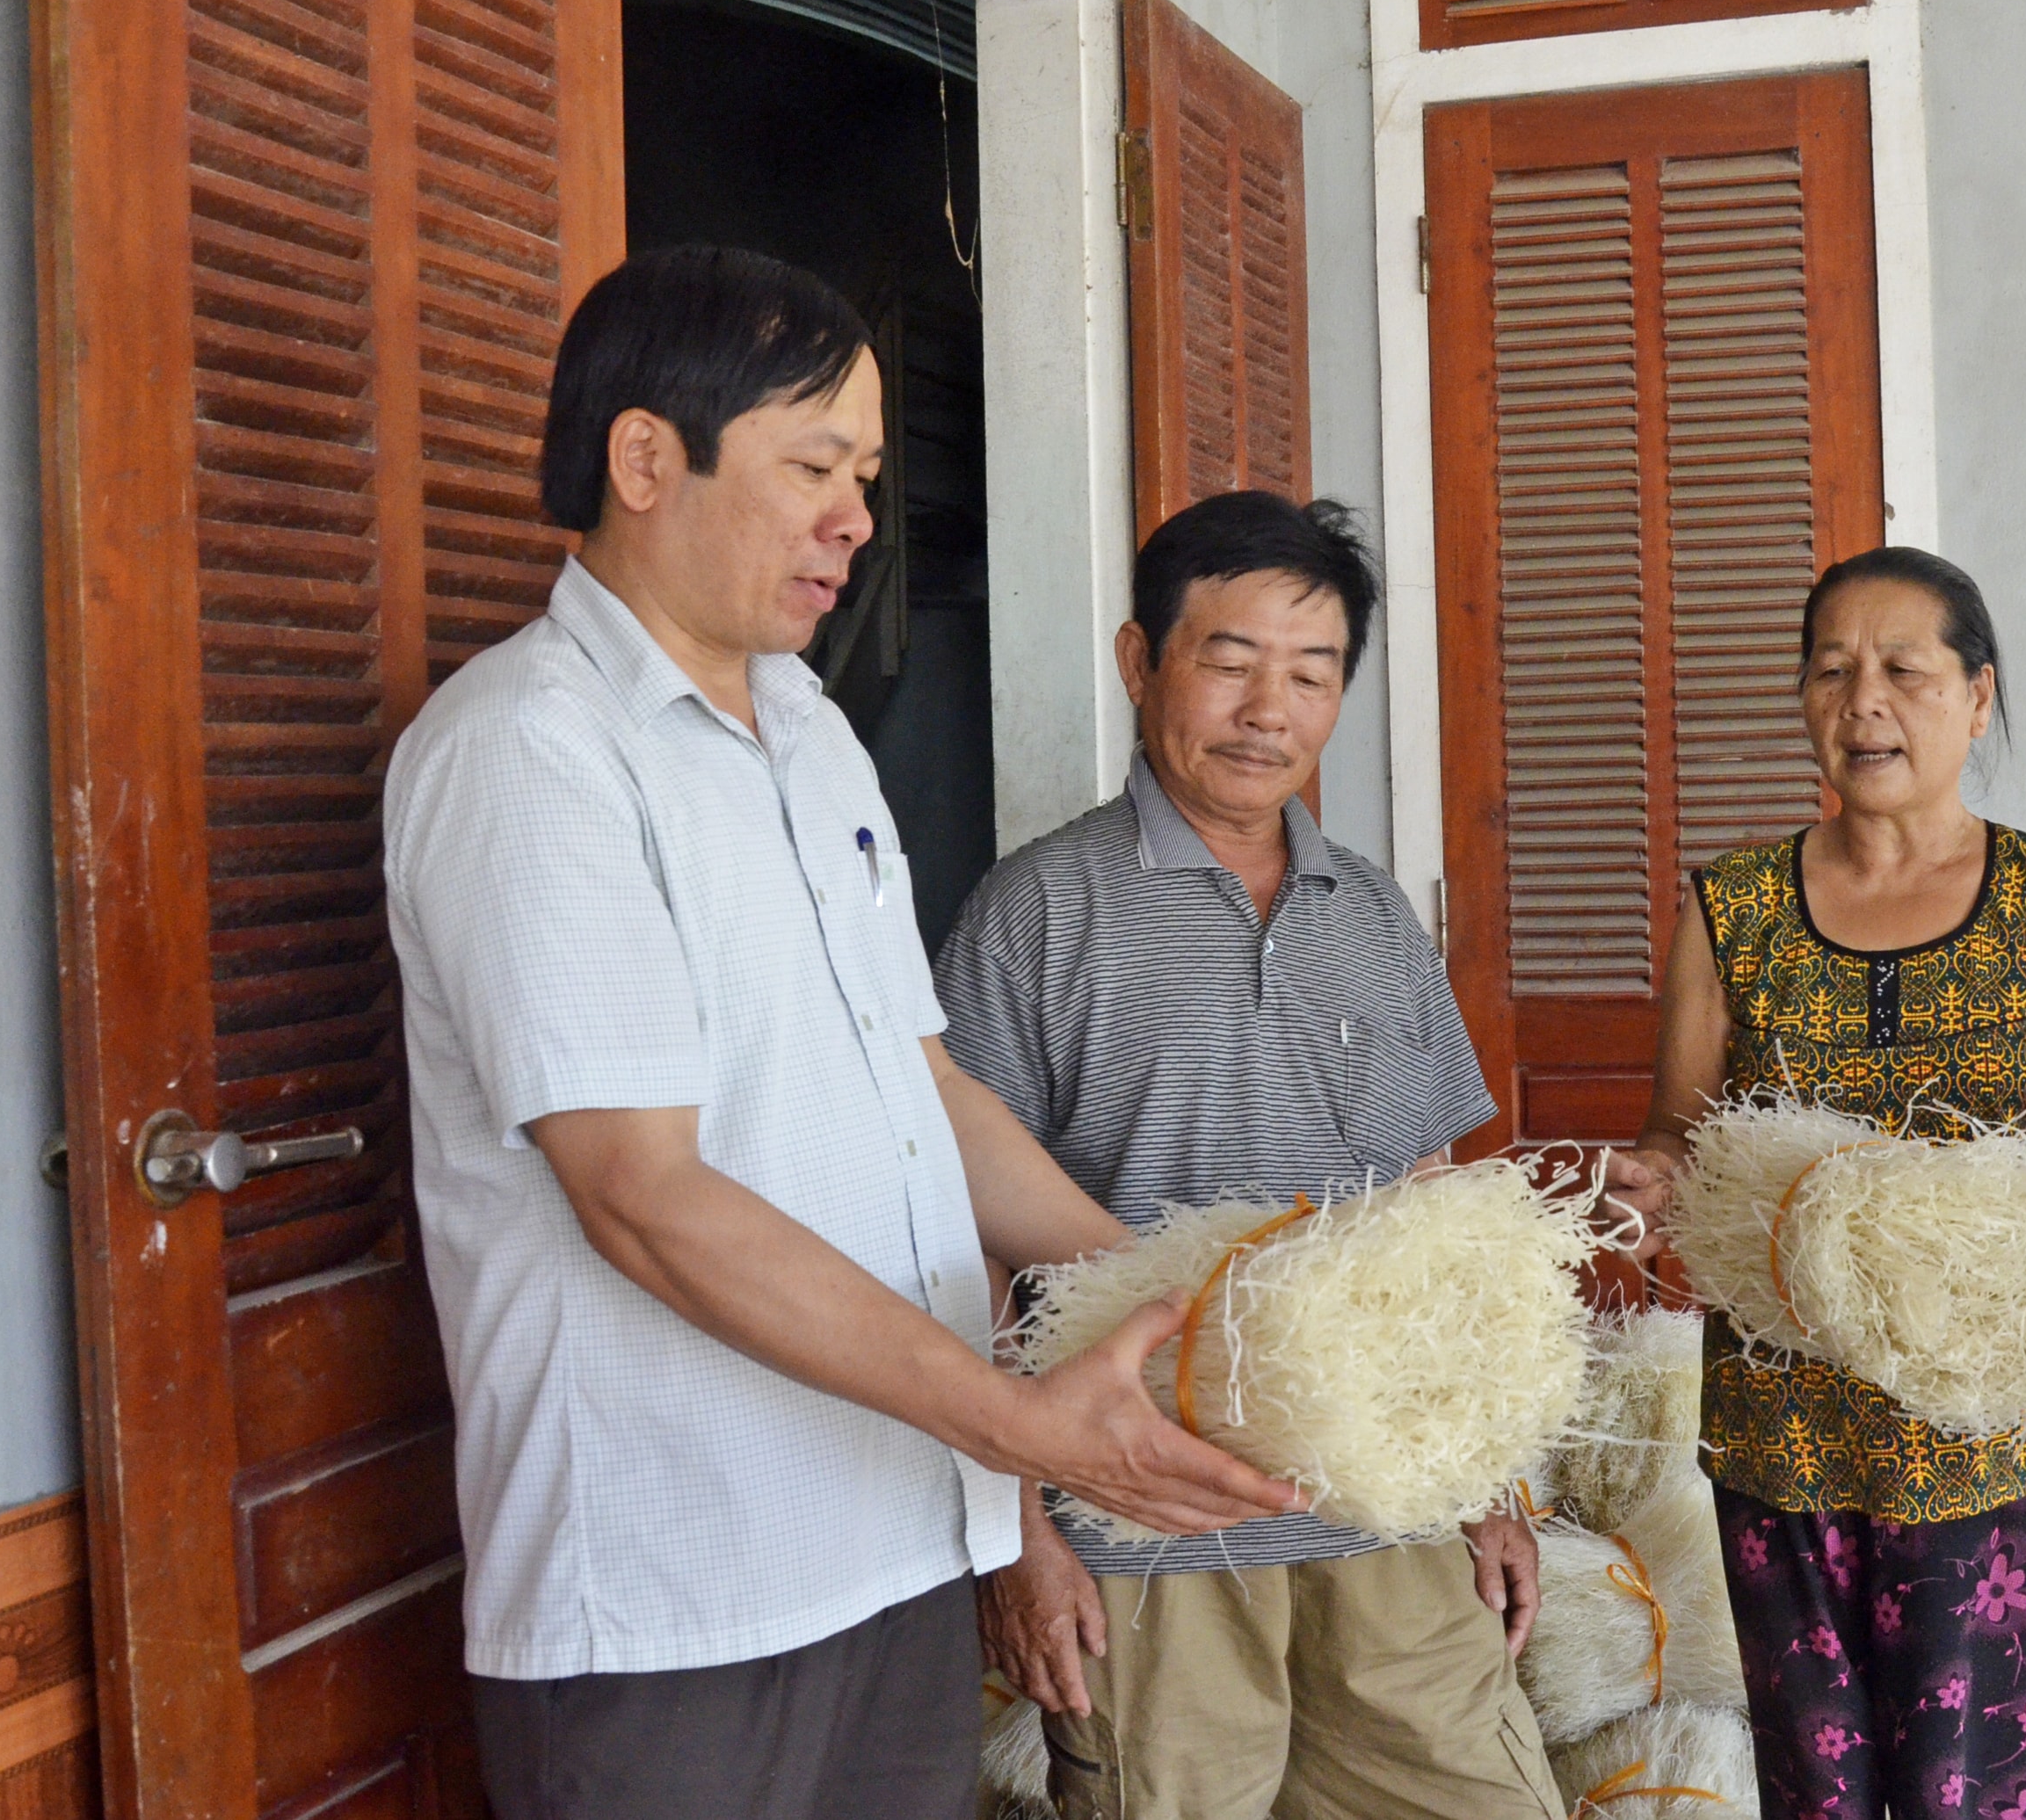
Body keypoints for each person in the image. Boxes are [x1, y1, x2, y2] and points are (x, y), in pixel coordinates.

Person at [384, 246, 1295, 1820]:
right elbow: (641, 1198)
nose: (858, 519)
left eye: (866, 474)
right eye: (815, 466)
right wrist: (1021, 1426)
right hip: (677, 1592)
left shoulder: (808, 735)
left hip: (891, 1532)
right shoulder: (528, 753)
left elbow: (920, 1087)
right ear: (648, 458)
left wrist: (1186, 1292)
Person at [937, 489, 1630, 1820]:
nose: (1271, 711)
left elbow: (1437, 1222)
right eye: (1230, 659)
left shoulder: (1368, 910)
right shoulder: (1034, 913)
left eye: (1313, 674)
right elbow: (958, 1241)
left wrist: (1491, 1485)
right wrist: (1012, 1538)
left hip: (1389, 1517)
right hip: (1146, 1528)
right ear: (1143, 663)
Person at [1611, 547, 2026, 1820]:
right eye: (1831, 671)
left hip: (1989, 1445)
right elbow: (1680, 1143)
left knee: (1984, 1797)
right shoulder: (1730, 908)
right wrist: (1639, 1186)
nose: (1865, 703)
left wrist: (1965, 1286)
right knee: (1817, 1795)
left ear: (1977, 695)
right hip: (1783, 1438)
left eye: (1904, 670)